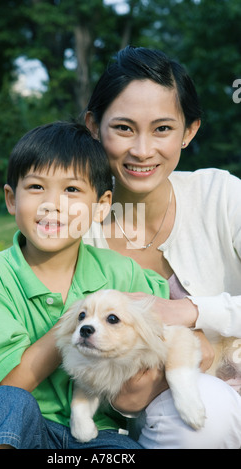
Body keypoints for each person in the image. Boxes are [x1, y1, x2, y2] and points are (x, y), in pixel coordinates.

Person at [0, 121, 169, 449]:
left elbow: (163, 324)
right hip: (17, 429)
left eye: (71, 190)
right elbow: (11, 383)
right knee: (10, 402)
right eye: (37, 187)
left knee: (122, 451)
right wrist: (76, 322)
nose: (52, 204)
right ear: (12, 200)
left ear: (100, 206)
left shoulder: (120, 273)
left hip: (95, 431)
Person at [83, 45, 241, 449]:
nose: (141, 149)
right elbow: (98, 375)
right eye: (123, 128)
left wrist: (190, 311)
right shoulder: (78, 233)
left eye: (162, 129)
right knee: (205, 417)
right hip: (169, 418)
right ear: (93, 127)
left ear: (189, 131)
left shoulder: (221, 195)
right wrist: (127, 403)